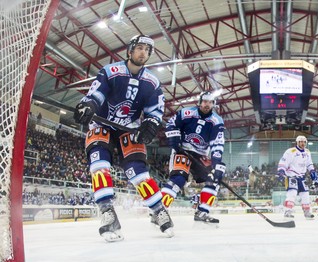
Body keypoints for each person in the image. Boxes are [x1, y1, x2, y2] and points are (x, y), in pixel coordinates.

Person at [73, 34, 173, 242]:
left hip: (130, 129)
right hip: (101, 124)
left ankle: (158, 210)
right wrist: (89, 105)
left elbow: (155, 111)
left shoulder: (152, 82)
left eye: (147, 50)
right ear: (130, 50)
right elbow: (96, 94)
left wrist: (151, 124)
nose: (143, 52)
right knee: (99, 166)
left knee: (139, 174)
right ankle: (107, 212)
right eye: (140, 48)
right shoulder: (110, 71)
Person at [159, 91, 226, 224]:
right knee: (178, 178)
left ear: (214, 104)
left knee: (215, 178)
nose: (207, 104)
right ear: (200, 102)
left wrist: (216, 163)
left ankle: (202, 212)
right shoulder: (186, 113)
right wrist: (174, 140)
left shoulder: (217, 121)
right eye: (205, 101)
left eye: (210, 102)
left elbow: (217, 143)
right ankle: (159, 211)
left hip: (201, 154)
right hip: (182, 150)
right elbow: (171, 124)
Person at [277, 135, 318, 219]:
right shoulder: (291, 151)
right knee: (292, 193)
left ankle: (307, 212)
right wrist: (281, 171)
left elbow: (309, 163)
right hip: (291, 176)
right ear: (297, 142)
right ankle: (287, 211)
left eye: (304, 142)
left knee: (305, 194)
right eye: (301, 142)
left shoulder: (307, 152)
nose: (303, 143)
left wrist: (312, 171)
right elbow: (283, 162)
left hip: (301, 177)